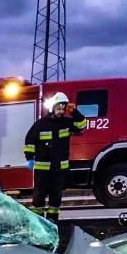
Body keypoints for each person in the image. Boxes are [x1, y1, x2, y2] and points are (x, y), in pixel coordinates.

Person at [23, 92, 86, 224]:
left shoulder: (66, 123)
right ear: (53, 107)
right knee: (39, 199)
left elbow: (82, 125)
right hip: (42, 170)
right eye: (59, 108)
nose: (61, 111)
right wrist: (29, 158)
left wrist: (74, 111)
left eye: (63, 108)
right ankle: (39, 224)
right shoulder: (40, 125)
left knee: (56, 199)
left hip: (59, 170)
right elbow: (30, 141)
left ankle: (52, 223)